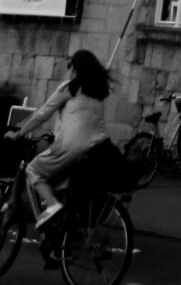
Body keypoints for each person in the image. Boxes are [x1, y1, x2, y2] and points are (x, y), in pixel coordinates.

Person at [10, 49, 112, 227]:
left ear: (76, 69)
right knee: (62, 181)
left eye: (70, 66)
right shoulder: (98, 92)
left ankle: (51, 204)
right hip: (97, 148)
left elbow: (42, 114)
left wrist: (18, 133)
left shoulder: (69, 88)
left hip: (71, 147)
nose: (69, 70)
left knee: (33, 169)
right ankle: (63, 230)